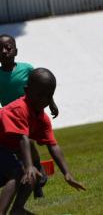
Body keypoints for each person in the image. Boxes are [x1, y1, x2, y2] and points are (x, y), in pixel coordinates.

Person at [0, 68, 86, 215]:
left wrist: (67, 173)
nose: (43, 100)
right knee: (19, 171)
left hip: (6, 150)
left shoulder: (42, 118)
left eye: (48, 96)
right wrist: (28, 167)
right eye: (40, 95)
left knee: (34, 172)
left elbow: (53, 145)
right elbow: (23, 139)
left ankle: (17, 209)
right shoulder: (19, 109)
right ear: (27, 91)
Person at [0, 34, 59, 197]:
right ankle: (36, 186)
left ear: (16, 51)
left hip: (30, 115)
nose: (4, 51)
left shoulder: (26, 69)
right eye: (0, 49)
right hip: (12, 121)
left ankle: (38, 167)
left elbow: (43, 86)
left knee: (30, 146)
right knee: (20, 155)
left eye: (8, 48)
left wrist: (51, 103)